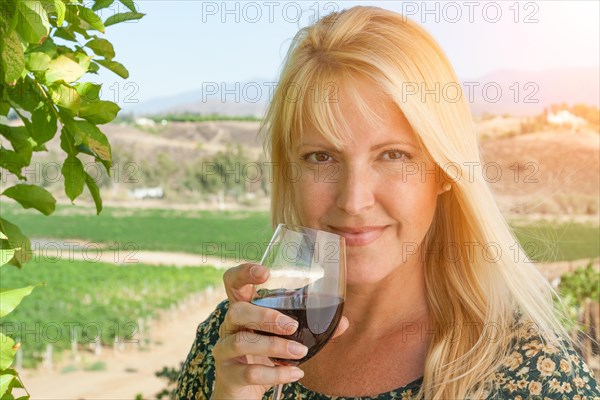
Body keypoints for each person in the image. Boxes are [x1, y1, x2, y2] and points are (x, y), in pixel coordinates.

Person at [176, 6, 599, 399]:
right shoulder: (234, 345)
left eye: (393, 155)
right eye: (320, 157)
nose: (355, 200)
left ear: (444, 171)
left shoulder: (535, 375)